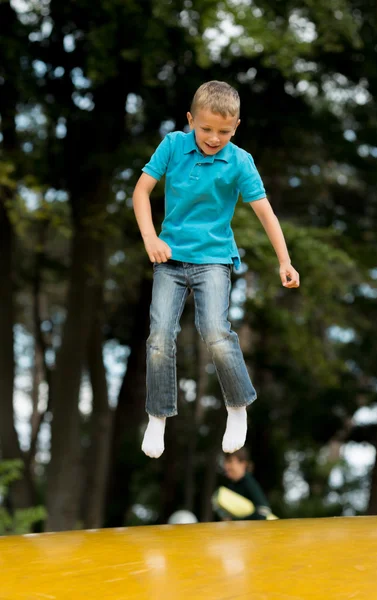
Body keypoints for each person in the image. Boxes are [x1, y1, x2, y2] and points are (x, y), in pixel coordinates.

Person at [132, 80, 300, 459]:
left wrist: (285, 260)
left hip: (214, 260)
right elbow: (141, 191)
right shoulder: (174, 146)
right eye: (206, 128)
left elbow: (265, 213)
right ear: (191, 120)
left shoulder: (240, 161)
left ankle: (237, 407)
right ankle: (158, 416)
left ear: (236, 127)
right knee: (159, 334)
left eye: (224, 131)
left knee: (213, 329)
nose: (213, 137)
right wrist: (150, 238)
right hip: (170, 259)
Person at [214, 447, 276, 521]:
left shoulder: (248, 482)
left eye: (230, 461)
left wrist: (237, 522)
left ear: (243, 464)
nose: (226, 466)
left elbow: (264, 510)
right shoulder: (231, 485)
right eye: (225, 462)